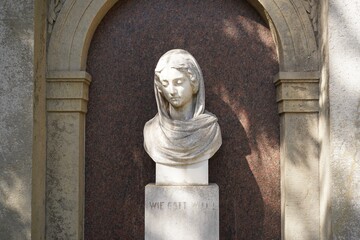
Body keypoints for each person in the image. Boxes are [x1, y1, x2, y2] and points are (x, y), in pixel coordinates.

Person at [143, 49, 222, 166]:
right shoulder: (151, 132)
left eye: (178, 82)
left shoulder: (210, 130)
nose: (171, 91)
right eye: (165, 84)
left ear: (193, 83)